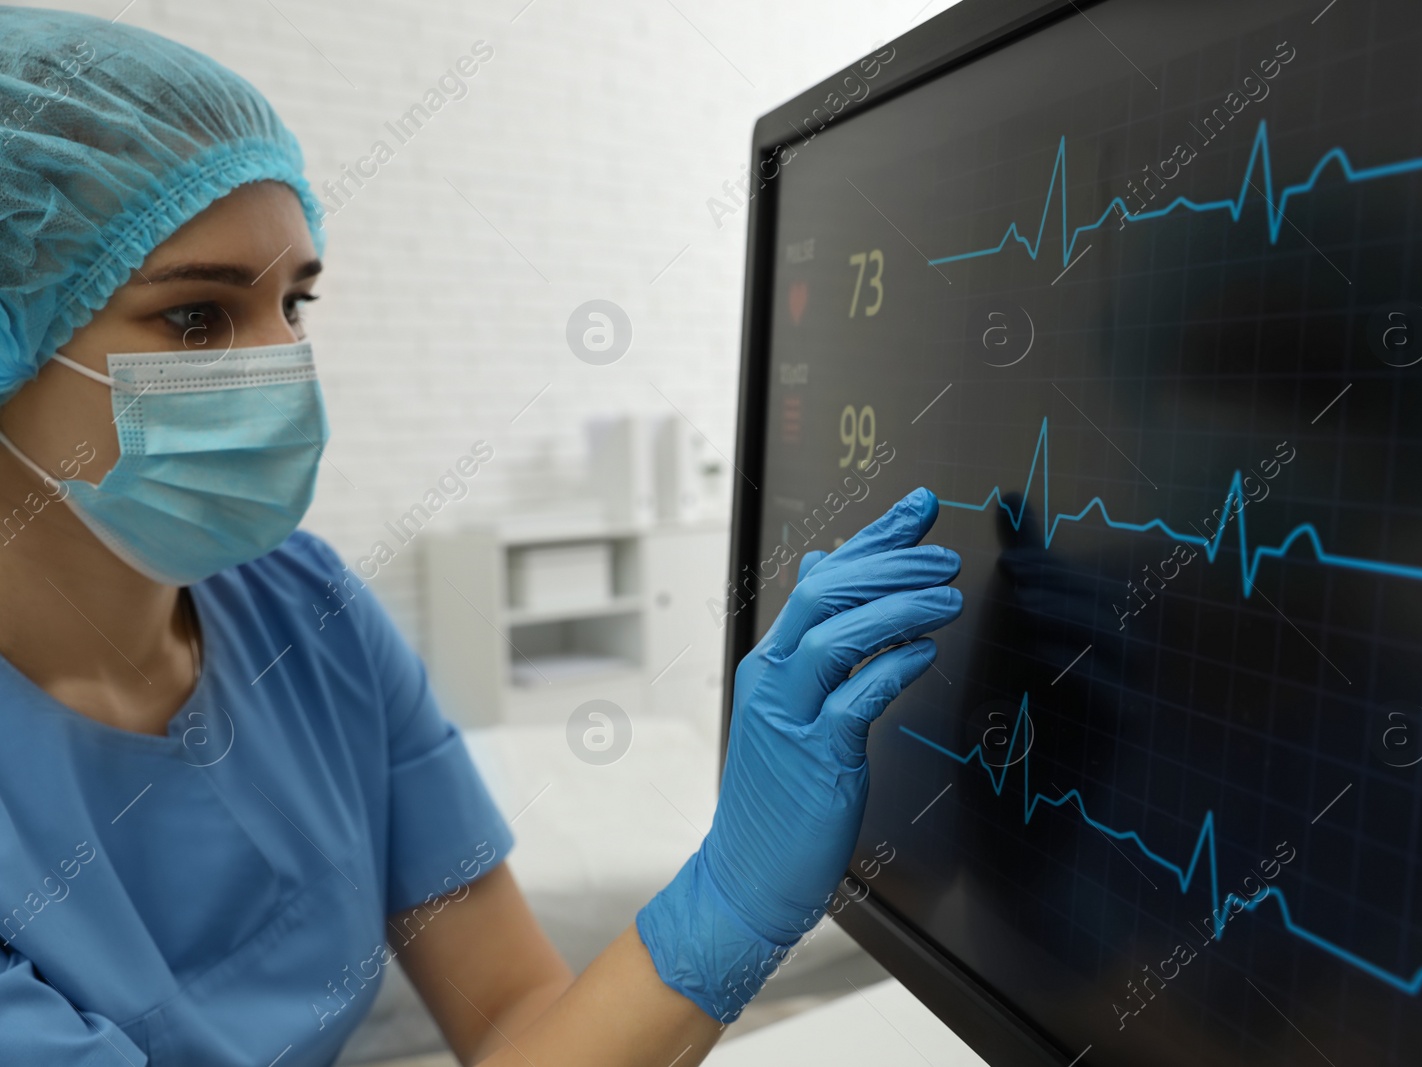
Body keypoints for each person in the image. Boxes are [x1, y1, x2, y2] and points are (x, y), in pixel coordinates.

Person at [0, 9, 963, 1066]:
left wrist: (728, 899)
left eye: (296, 304)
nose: (283, 364)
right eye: (196, 318)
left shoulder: (302, 612)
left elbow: (513, 1021)